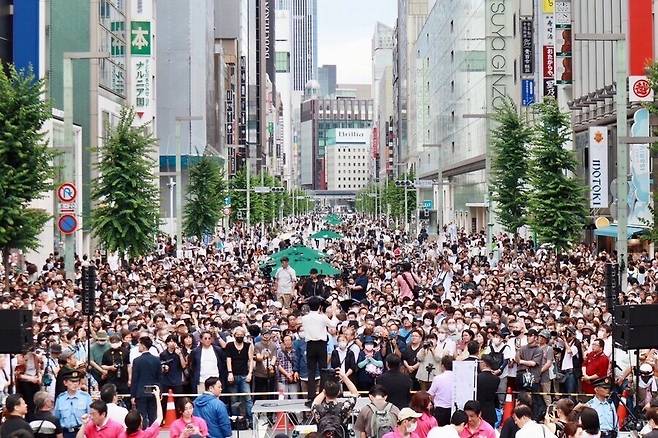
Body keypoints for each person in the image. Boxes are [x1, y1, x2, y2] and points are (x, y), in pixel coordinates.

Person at [302, 296, 335, 405]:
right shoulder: (322, 317)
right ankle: (322, 395)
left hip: (310, 344)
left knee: (311, 372)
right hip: (321, 345)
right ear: (320, 306)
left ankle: (311, 397)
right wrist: (331, 313)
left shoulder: (304, 318)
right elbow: (333, 325)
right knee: (323, 371)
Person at [311, 370, 359, 437]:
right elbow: (355, 393)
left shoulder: (317, 409)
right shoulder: (344, 407)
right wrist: (344, 377)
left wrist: (325, 390)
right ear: (339, 392)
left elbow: (315, 402)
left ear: (325, 392)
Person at [130, 336, 162, 429]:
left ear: (143, 346)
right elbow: (159, 378)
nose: (138, 346)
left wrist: (133, 395)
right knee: (153, 417)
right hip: (153, 392)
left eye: (139, 344)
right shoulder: (156, 360)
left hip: (141, 392)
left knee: (142, 417)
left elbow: (134, 379)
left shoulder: (137, 361)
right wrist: (159, 392)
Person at [224, 326, 254, 417]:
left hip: (244, 375)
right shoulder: (229, 345)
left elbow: (251, 360)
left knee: (248, 398)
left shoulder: (248, 345)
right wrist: (230, 373)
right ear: (234, 335)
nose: (239, 336)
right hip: (233, 375)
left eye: (241, 335)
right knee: (234, 399)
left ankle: (250, 420)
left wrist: (250, 373)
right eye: (238, 335)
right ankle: (235, 420)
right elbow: (228, 359)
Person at [54, 370, 92, 438]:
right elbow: (57, 418)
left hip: (82, 432)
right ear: (65, 383)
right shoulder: (60, 398)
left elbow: (91, 416)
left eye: (77, 381)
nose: (75, 384)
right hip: (65, 433)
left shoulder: (85, 397)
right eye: (72, 381)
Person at [427, 355, 454, 426]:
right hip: (453, 410)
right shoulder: (457, 378)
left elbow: (430, 394)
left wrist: (433, 402)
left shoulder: (438, 378)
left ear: (442, 366)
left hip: (440, 410)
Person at [476, 355, 500, 428]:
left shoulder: (477, 378)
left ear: (483, 363)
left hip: (478, 410)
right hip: (490, 411)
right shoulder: (496, 379)